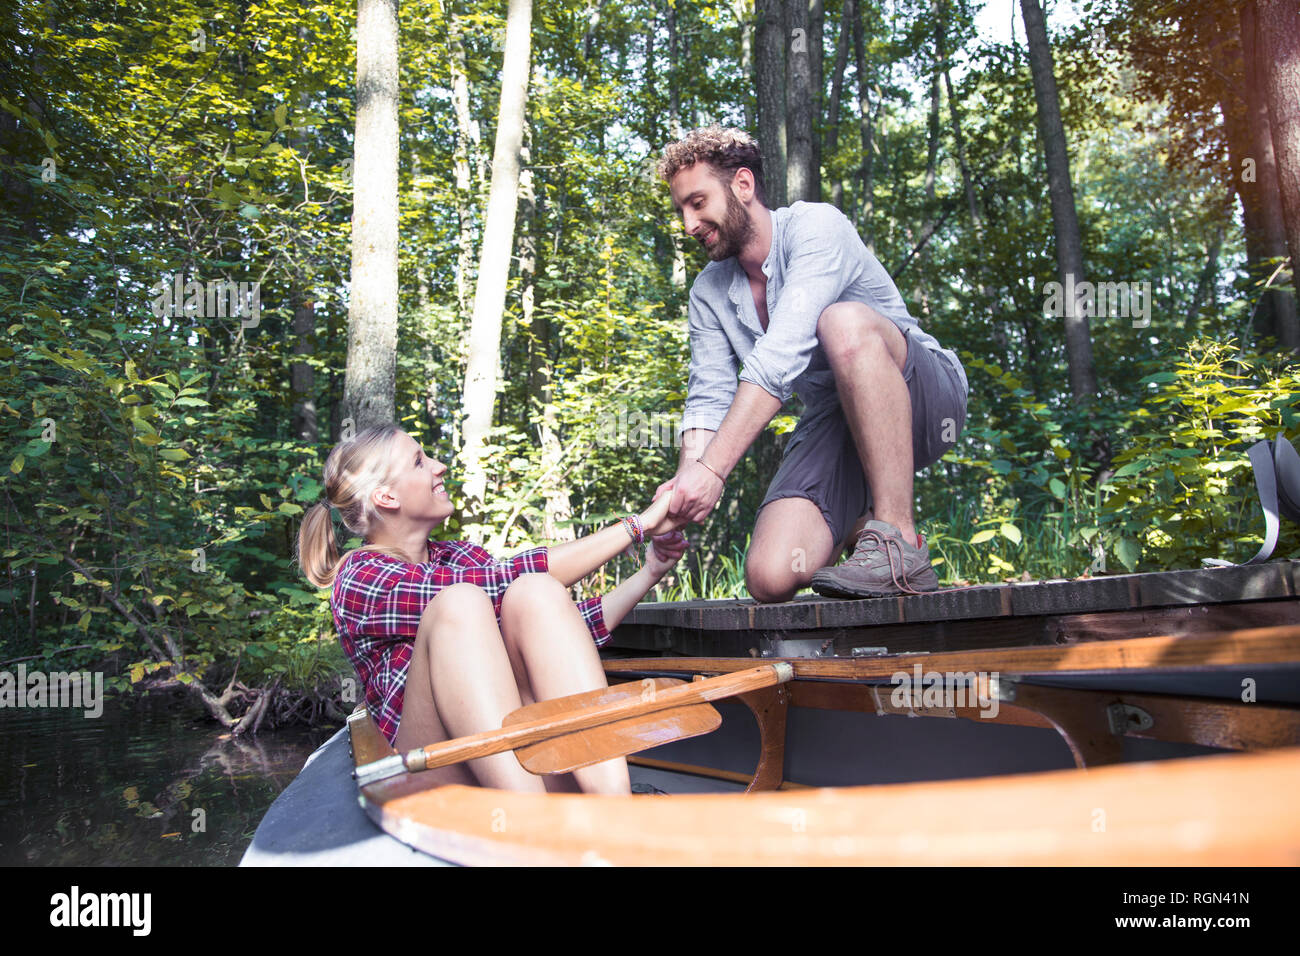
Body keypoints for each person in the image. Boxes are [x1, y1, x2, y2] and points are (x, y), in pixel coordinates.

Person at [656, 125, 969, 602]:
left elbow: (781, 354)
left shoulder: (816, 227)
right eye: (681, 209)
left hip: (926, 400)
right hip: (836, 421)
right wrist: (684, 487)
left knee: (841, 323)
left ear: (743, 185)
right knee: (770, 575)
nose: (688, 224)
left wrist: (714, 472)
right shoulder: (708, 291)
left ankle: (899, 541)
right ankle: (865, 528)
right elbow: (708, 397)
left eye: (698, 202)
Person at [297, 424, 686, 794]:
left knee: (534, 593)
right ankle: (530, 824)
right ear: (387, 497)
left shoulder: (459, 556)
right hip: (432, 772)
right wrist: (638, 525)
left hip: (507, 758)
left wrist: (650, 571)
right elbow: (497, 583)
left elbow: (564, 626)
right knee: (463, 601)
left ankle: (613, 803)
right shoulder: (361, 576)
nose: (439, 466)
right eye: (419, 461)